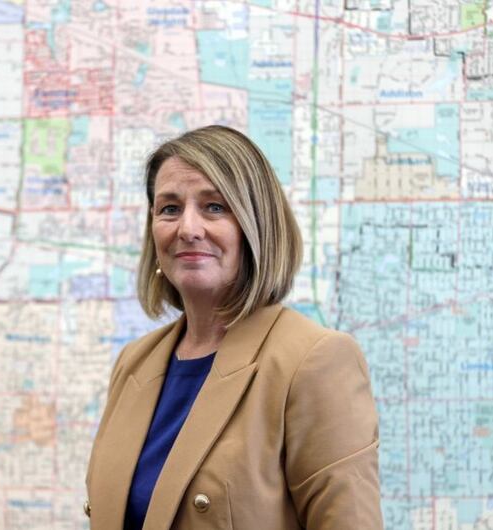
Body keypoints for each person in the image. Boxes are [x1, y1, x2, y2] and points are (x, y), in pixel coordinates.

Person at [84, 125, 382, 529]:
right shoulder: (133, 363)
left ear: (256, 227)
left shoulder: (314, 361)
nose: (187, 228)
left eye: (214, 207)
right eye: (169, 208)